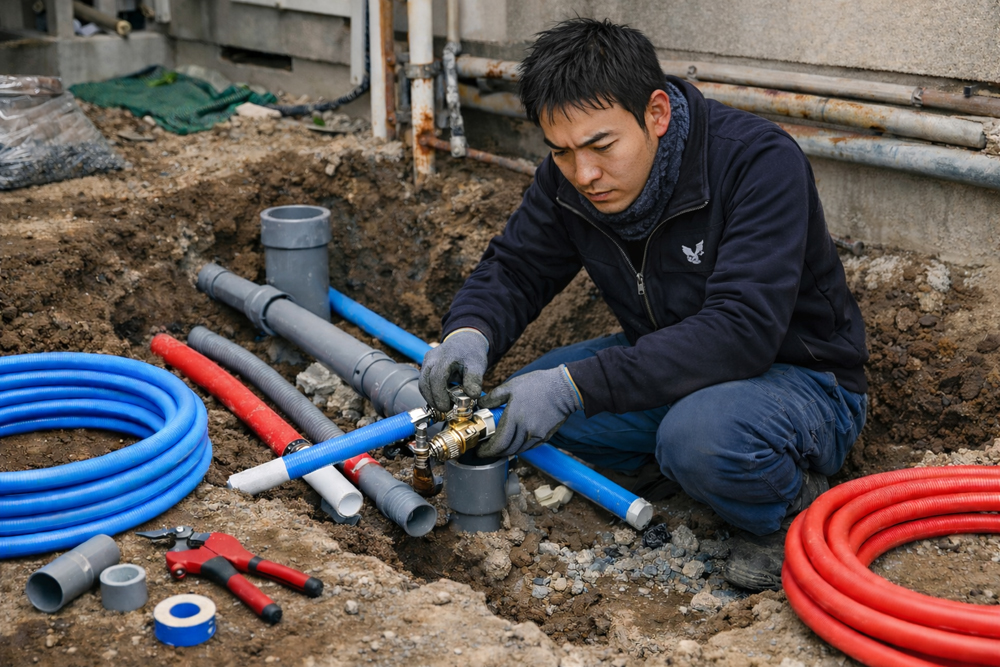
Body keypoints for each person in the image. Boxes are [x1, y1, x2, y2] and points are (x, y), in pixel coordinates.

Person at [418, 18, 868, 591]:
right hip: (675, 361)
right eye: (561, 152)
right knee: (520, 408)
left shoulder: (756, 162)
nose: (584, 174)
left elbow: (741, 332)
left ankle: (789, 509)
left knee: (698, 437)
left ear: (656, 113)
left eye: (601, 146)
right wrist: (469, 332)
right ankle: (687, 466)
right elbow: (518, 267)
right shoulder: (568, 179)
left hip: (802, 378)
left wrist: (575, 386)